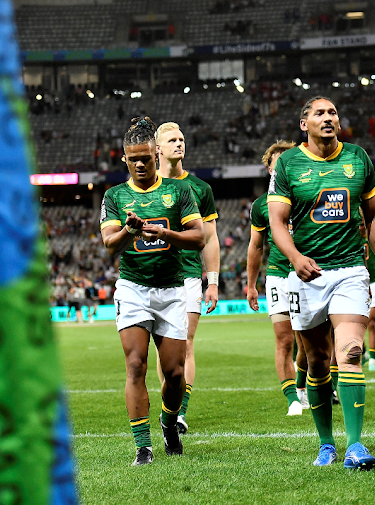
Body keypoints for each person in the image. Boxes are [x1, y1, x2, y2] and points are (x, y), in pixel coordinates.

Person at [267, 96, 375, 469]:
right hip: (306, 276)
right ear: (304, 124)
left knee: (350, 353)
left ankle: (356, 444)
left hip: (349, 271)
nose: (328, 118)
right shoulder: (289, 164)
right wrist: (295, 258)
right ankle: (326, 443)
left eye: (332, 112)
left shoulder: (357, 158)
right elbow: (277, 221)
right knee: (316, 363)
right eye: (319, 113)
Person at [100, 117, 205, 466]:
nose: (141, 163)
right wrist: (130, 231)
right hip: (132, 289)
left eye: (146, 157)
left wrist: (165, 234)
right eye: (134, 159)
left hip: (172, 290)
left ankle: (169, 421)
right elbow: (109, 244)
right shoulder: (115, 196)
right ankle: (142, 446)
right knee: (135, 365)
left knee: (175, 373)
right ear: (125, 160)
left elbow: (199, 237)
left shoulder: (178, 192)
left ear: (155, 154)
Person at [155, 122, 220, 434]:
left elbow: (212, 239)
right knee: (163, 348)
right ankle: (170, 403)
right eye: (172, 140)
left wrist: (214, 281)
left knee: (186, 344)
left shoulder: (200, 188)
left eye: (182, 139)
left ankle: (179, 413)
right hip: (154, 275)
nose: (179, 144)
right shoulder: (144, 187)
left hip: (190, 275)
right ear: (158, 149)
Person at [247, 140, 304, 416]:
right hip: (279, 276)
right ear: (269, 169)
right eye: (276, 163)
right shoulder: (261, 206)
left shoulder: (307, 195)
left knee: (307, 340)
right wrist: (250, 285)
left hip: (307, 274)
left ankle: (305, 386)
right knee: (284, 340)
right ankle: (293, 397)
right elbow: (256, 247)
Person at [360, 218, 375, 372]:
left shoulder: (372, 237)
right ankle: (363, 352)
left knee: (372, 322)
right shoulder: (350, 239)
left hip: (373, 282)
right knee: (358, 323)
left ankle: (374, 360)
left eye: (363, 224)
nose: (361, 228)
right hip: (358, 284)